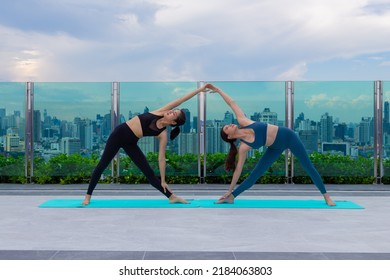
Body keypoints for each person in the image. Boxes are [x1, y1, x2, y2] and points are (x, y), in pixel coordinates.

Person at [204, 84, 336, 206]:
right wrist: (229, 189)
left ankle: (326, 196)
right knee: (254, 175)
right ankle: (231, 197)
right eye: (227, 128)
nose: (230, 125)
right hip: (274, 148)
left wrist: (218, 90)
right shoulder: (243, 147)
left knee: (308, 166)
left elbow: (232, 103)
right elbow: (238, 169)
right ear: (229, 136)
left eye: (228, 124)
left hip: (289, 137)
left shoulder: (243, 121)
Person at [82, 85, 209, 205]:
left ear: (174, 122)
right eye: (172, 111)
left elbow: (161, 158)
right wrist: (200, 89)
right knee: (102, 165)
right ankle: (88, 196)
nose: (170, 112)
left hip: (131, 143)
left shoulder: (163, 134)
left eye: (173, 114)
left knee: (150, 174)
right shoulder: (160, 111)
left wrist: (163, 180)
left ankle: (172, 197)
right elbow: (181, 100)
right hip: (118, 135)